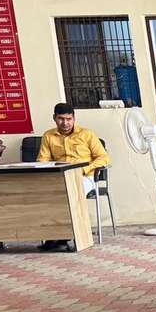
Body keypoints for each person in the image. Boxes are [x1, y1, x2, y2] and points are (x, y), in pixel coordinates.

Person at [36, 102, 110, 251]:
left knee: (71, 195)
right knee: (46, 195)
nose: (65, 123)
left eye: (69, 119)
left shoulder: (87, 134)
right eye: (61, 119)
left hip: (84, 177)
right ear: (54, 118)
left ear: (74, 118)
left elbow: (104, 158)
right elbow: (42, 160)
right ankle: (53, 235)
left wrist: (85, 169)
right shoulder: (48, 136)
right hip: (59, 178)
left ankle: (63, 238)